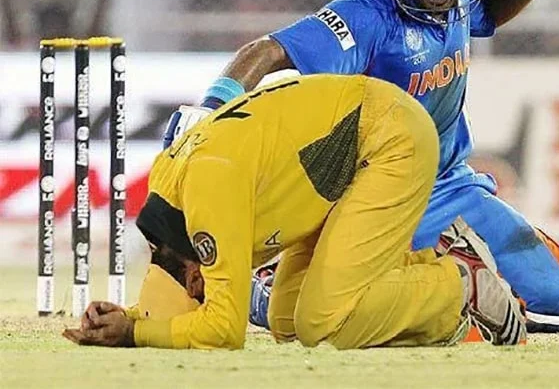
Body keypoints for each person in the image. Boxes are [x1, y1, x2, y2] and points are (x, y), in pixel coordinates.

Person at [164, 0, 559, 334]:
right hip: (372, 199)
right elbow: (268, 51)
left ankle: (422, 274)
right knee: (311, 318)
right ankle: (269, 287)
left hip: (448, 187)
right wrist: (211, 108)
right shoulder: (366, 14)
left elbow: (487, 8)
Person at [63, 74, 526, 349]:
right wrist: (129, 318)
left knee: (324, 321)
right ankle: (429, 291)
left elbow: (223, 330)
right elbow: (183, 298)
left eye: (198, 292)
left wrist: (135, 335)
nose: (205, 291)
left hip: (389, 139)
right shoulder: (169, 196)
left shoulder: (206, 194)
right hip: (335, 166)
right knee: (288, 323)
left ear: (192, 273)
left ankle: (457, 284)